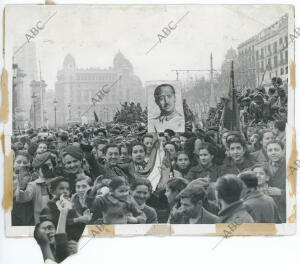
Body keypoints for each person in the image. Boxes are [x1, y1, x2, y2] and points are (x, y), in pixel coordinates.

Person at [15, 152, 55, 224]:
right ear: (37, 170)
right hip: (41, 223)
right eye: (44, 166)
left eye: (49, 165)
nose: (48, 168)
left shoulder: (59, 181)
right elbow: (23, 198)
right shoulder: (34, 185)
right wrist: (22, 187)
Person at [265, 140, 286, 221]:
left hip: (285, 211)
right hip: (268, 210)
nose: (273, 153)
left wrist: (281, 192)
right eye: (270, 150)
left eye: (276, 150)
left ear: (283, 151)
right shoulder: (263, 167)